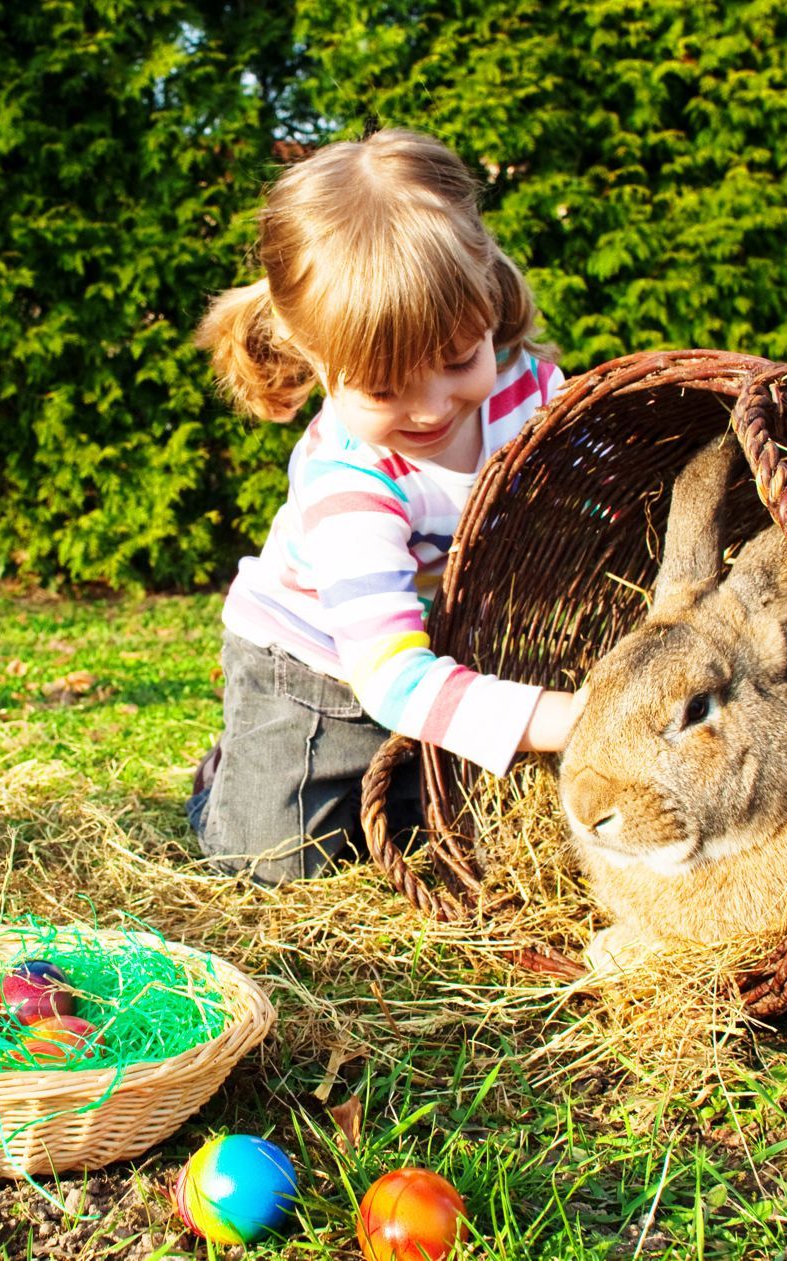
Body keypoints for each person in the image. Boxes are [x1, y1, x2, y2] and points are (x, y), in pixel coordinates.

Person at [188, 128, 581, 884]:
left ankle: (395, 777)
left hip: (434, 649)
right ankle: (226, 785)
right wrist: (562, 718)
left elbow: (601, 498)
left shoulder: (527, 390)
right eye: (383, 385)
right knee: (278, 864)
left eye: (458, 359)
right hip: (319, 671)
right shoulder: (350, 481)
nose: (434, 407)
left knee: (441, 828)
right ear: (314, 356)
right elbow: (391, 680)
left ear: (488, 296)